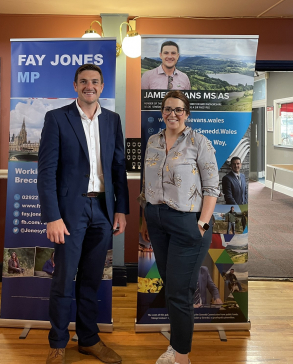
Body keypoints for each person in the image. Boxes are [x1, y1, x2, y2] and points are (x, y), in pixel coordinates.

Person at [37, 64, 129, 364]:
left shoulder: (113, 121)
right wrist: (52, 216)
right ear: (75, 85)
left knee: (91, 279)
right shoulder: (57, 118)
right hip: (69, 212)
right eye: (84, 81)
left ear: (102, 87)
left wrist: (121, 210)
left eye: (95, 82)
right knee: (64, 279)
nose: (90, 86)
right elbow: (46, 172)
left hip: (102, 211)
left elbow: (118, 169)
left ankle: (88, 339)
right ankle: (58, 344)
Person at [139, 90, 219, 364]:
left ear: (187, 114)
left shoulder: (200, 142)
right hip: (156, 221)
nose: (172, 114)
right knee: (171, 286)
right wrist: (145, 219)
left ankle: (181, 356)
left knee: (179, 291)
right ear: (161, 112)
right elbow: (147, 184)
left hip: (188, 223)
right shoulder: (152, 141)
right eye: (167, 109)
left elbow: (211, 188)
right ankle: (177, 345)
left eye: (178, 109)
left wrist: (202, 225)